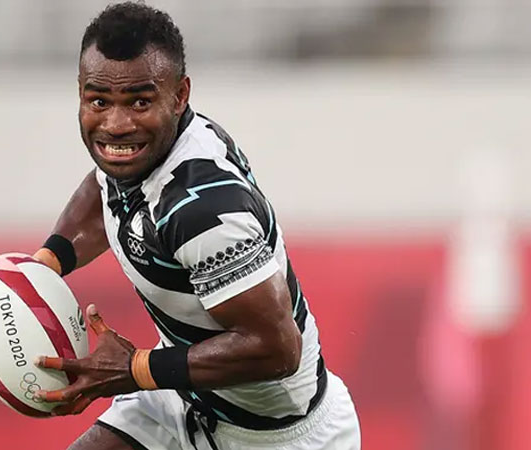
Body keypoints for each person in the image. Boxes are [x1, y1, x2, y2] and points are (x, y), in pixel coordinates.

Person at [31, 3, 360, 449]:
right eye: (99, 101)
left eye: (140, 101)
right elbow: (103, 185)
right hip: (182, 398)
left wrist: (136, 370)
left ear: (180, 95)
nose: (116, 125)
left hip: (274, 436)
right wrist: (46, 263)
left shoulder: (203, 210)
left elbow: (278, 348)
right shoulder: (142, 151)